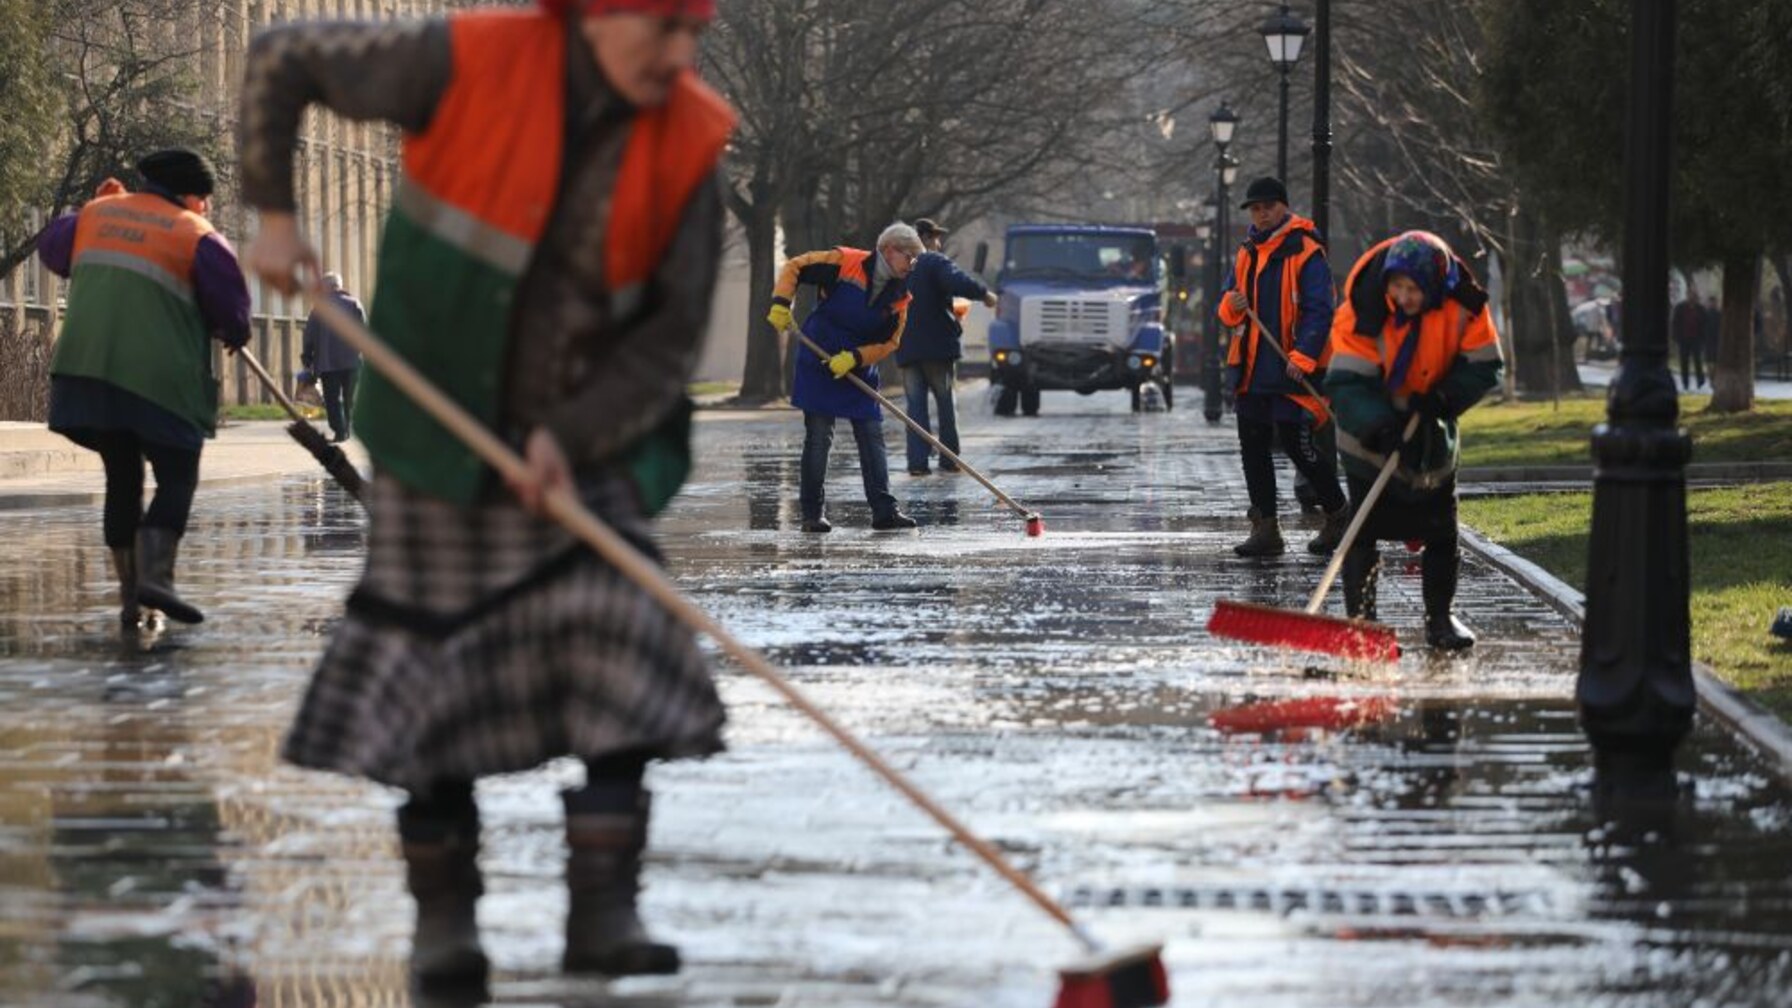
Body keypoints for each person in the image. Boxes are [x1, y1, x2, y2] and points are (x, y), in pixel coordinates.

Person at [238, 0, 734, 992]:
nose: (681, 57)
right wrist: (276, 217)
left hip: (589, 435)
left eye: (695, 32)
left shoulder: (688, 142)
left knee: (621, 648)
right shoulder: (460, 60)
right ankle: (444, 929)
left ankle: (604, 916)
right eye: (662, 28)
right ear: (593, 16)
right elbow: (282, 55)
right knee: (436, 688)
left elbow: (667, 345)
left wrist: (568, 436)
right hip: (439, 437)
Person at [37, 149, 251, 629]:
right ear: (191, 197)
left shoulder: (95, 216)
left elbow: (53, 249)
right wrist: (233, 332)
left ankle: (132, 597)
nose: (208, 210)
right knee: (177, 475)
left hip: (85, 375)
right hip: (155, 380)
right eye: (206, 200)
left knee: (122, 477)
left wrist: (90, 209)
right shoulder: (196, 235)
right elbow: (233, 309)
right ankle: (157, 578)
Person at [1326, 230, 1505, 651]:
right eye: (1397, 286)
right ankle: (1363, 625)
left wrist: (1446, 397)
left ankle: (1440, 620)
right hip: (1369, 436)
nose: (1403, 298)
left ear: (1435, 286)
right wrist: (1379, 426)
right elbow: (1346, 383)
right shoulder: (1362, 310)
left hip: (1430, 431)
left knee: (1441, 529)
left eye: (1414, 289)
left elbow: (1485, 365)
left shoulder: (1465, 306)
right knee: (1363, 531)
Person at [1216, 176, 1350, 557]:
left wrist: (1305, 356)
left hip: (1292, 367)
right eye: (1255, 209)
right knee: (1252, 448)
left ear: (1283, 207)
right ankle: (1265, 529)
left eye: (1267, 207)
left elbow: (1319, 309)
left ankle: (1339, 514)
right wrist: (1232, 306)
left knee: (1298, 445)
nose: (1261, 214)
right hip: (1252, 368)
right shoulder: (1247, 252)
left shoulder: (1306, 251)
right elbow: (1227, 305)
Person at [768, 223, 923, 532]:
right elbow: (795, 266)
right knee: (819, 437)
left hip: (857, 366)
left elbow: (890, 342)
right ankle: (813, 514)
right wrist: (781, 303)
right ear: (890, 250)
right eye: (910, 258)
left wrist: (855, 358)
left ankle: (884, 511)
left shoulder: (900, 297)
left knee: (871, 435)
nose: (912, 266)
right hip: (819, 357)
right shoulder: (844, 262)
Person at [894, 217, 996, 476]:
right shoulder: (933, 261)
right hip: (938, 346)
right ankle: (949, 460)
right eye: (935, 237)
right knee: (945, 403)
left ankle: (917, 464)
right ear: (925, 239)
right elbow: (958, 282)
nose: (938, 243)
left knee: (915, 408)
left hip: (906, 345)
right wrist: (984, 294)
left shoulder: (896, 265)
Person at [301, 271, 365, 442]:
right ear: (340, 286)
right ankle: (347, 427)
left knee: (332, 399)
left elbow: (310, 334)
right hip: (352, 361)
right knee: (349, 398)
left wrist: (307, 356)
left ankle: (340, 430)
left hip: (327, 363)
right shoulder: (354, 304)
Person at [1671, 285, 1705, 390]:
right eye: (1690, 294)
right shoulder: (1680, 308)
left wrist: (1703, 338)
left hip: (1696, 339)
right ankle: (1685, 383)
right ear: (1687, 295)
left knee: (1697, 361)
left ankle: (1700, 381)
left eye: (1694, 295)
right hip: (1684, 339)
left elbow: (1705, 324)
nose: (1692, 297)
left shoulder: (1701, 309)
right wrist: (1676, 337)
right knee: (1684, 362)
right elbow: (1675, 323)